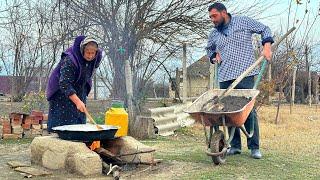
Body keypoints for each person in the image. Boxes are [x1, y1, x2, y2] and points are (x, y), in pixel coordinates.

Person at [206, 3, 274, 159]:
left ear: (224, 13)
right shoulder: (214, 34)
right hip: (224, 76)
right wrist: (213, 56)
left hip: (245, 74)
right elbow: (209, 48)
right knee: (228, 113)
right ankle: (235, 146)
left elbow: (265, 29)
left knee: (248, 111)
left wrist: (267, 46)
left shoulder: (242, 21)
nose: (212, 20)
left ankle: (254, 147)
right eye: (210, 17)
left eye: (214, 16)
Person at [46, 36, 103, 132]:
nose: (90, 56)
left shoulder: (97, 56)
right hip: (61, 92)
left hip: (80, 87)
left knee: (79, 120)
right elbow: (64, 83)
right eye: (88, 53)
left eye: (92, 53)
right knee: (63, 125)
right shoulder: (70, 60)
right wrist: (77, 101)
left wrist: (80, 100)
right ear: (82, 50)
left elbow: (93, 66)